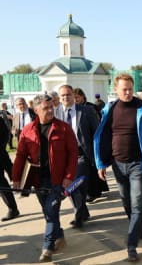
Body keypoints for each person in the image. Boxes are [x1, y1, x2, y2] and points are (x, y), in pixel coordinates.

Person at [94, 73, 142, 262]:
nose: (128, 92)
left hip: (138, 164)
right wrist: (101, 164)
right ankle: (137, 229)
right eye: (124, 89)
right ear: (116, 90)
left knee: (137, 203)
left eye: (130, 89)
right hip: (117, 164)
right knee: (126, 202)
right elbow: (101, 137)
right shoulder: (109, 109)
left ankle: (131, 245)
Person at [12, 94, 78, 263]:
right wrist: (16, 177)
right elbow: (20, 156)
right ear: (36, 110)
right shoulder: (27, 130)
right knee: (48, 212)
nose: (50, 110)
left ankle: (47, 248)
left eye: (51, 107)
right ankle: (60, 235)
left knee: (50, 211)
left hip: (57, 180)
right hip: (37, 180)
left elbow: (73, 154)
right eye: (46, 108)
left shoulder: (63, 128)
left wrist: (69, 177)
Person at [58, 85, 99, 228]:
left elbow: (97, 133)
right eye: (62, 95)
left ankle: (79, 216)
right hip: (64, 157)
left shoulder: (86, 111)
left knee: (74, 185)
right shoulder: (56, 113)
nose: (65, 97)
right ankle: (84, 212)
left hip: (82, 155)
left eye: (68, 94)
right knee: (75, 187)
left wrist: (98, 155)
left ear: (73, 95)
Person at [74, 87, 109, 201]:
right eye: (74, 98)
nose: (75, 100)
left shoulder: (89, 107)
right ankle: (90, 192)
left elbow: (96, 124)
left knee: (93, 168)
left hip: (90, 141)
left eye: (77, 97)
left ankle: (94, 191)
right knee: (86, 170)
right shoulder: (73, 110)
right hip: (81, 145)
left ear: (83, 97)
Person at [0, 116, 19, 222]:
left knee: (3, 184)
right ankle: (13, 209)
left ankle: (13, 209)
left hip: (1, 156)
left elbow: (5, 135)